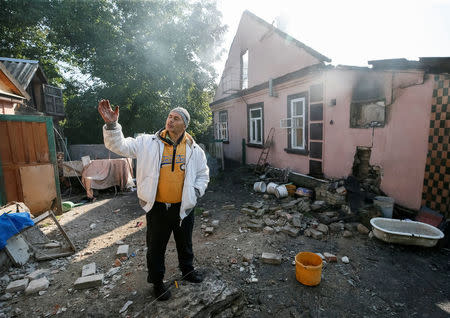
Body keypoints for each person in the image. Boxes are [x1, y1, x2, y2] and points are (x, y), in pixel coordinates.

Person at [98, 99, 209, 301]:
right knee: (156, 248)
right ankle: (157, 283)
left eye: (176, 118)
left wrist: (196, 192)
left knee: (185, 243)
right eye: (169, 116)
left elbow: (203, 174)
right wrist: (112, 126)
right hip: (158, 208)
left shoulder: (194, 149)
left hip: (184, 207)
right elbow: (120, 145)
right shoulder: (147, 142)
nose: (170, 120)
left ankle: (187, 271)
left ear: (185, 125)